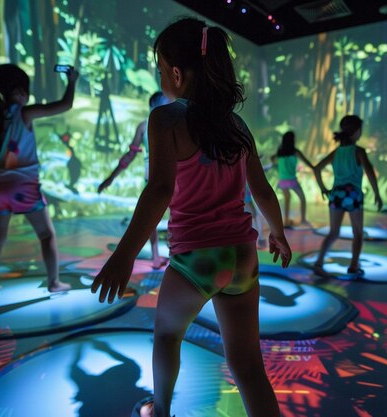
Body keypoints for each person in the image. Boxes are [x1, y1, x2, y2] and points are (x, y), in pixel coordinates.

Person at [92, 17, 291, 417]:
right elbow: (262, 189)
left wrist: (125, 254)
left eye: (162, 69)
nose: (163, 76)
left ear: (177, 75)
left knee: (167, 334)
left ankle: (161, 410)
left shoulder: (165, 120)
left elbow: (160, 190)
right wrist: (278, 233)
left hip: (198, 260)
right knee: (248, 364)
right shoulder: (237, 126)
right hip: (242, 257)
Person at [0, 63, 78, 299]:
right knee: (46, 235)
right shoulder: (25, 113)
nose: (26, 94)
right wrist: (72, 80)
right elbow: (65, 105)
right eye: (22, 90)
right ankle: (54, 282)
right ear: (17, 91)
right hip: (23, 187)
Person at [98, 92, 170, 270]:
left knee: (153, 215)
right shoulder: (169, 123)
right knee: (171, 214)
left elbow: (130, 155)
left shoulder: (144, 126)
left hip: (153, 175)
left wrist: (110, 178)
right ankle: (168, 255)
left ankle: (156, 257)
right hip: (169, 175)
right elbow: (130, 155)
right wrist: (110, 177)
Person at [312, 115, 383, 278]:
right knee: (357, 232)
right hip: (353, 194)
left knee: (333, 232)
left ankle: (319, 263)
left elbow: (316, 169)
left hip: (336, 194)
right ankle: (353, 266)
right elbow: (370, 173)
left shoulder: (336, 152)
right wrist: (377, 194)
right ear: (357, 131)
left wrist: (324, 188)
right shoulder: (359, 151)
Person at [271, 131, 313, 228]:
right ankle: (303, 219)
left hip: (282, 181)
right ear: (292, 140)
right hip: (292, 180)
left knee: (287, 200)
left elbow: (272, 158)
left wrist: (275, 166)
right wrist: (315, 168)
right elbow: (307, 162)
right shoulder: (295, 152)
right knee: (302, 198)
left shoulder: (280, 153)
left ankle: (285, 221)